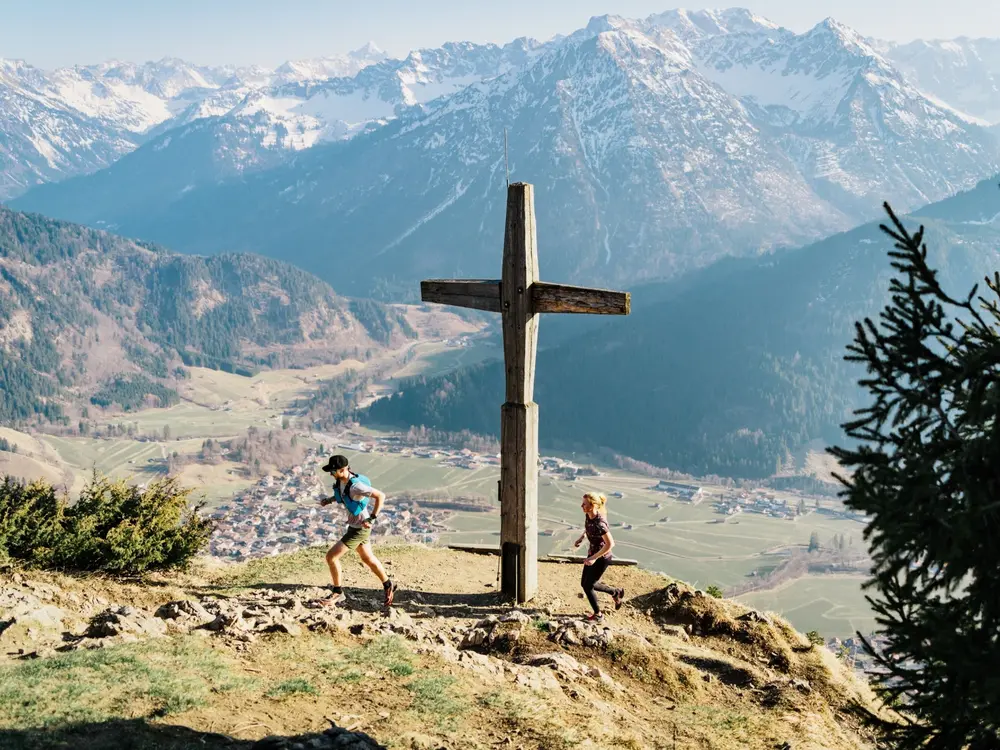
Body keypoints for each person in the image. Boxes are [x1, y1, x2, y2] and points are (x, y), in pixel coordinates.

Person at [315, 454, 398, 608]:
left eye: (333, 471)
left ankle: (337, 593)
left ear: (342, 469)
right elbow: (342, 494)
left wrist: (372, 518)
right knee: (368, 559)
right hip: (355, 526)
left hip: (359, 528)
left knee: (331, 557)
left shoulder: (356, 486)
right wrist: (329, 500)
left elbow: (381, 495)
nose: (331, 474)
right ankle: (388, 584)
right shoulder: (341, 481)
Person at [573, 492, 625, 621]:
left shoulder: (600, 523)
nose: (581, 506)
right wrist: (582, 537)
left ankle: (598, 615)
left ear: (593, 505)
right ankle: (616, 592)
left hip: (602, 557)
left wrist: (594, 558)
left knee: (587, 585)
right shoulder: (588, 515)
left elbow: (610, 544)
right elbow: (588, 528)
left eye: (584, 504)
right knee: (585, 584)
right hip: (592, 554)